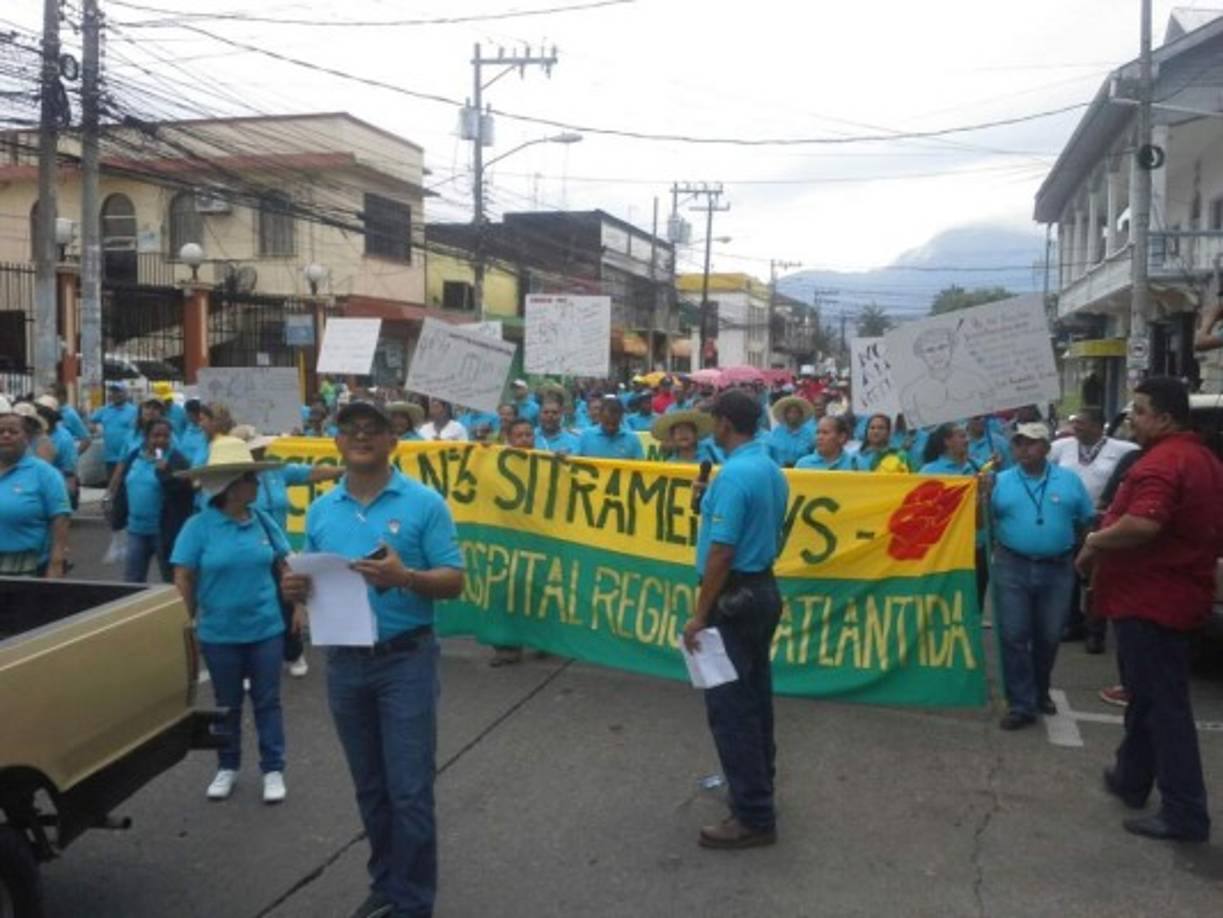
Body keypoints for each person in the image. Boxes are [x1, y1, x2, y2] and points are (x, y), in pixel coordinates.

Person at [281, 401, 464, 918]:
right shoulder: (322, 510)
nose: (361, 436)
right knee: (371, 788)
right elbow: (309, 578)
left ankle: (412, 904)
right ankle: (386, 884)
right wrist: (296, 593)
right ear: (337, 443)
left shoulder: (425, 503)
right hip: (344, 664)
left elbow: (454, 580)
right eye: (351, 429)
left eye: (372, 429)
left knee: (409, 790)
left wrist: (406, 577)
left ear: (393, 441)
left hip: (405, 660)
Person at [1076, 377, 1222, 843]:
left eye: (1139, 411)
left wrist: (1095, 541)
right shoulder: (1201, 459)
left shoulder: (1165, 461)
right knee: (1146, 698)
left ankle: (1185, 812)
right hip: (1170, 596)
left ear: (1165, 417)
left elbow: (1144, 523)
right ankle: (1131, 778)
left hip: (1152, 600)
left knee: (1163, 707)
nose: (1132, 421)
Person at [681, 389, 787, 849]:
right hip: (761, 590)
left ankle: (753, 816)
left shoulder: (735, 475)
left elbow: (722, 552)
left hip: (734, 598)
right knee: (755, 698)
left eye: (714, 419)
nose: (710, 427)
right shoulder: (768, 468)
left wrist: (699, 615)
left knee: (730, 711)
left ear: (725, 423)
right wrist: (708, 504)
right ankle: (758, 787)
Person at [171, 436, 294, 805]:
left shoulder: (263, 522)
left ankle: (273, 769)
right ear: (231, 486)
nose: (258, 484)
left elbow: (285, 564)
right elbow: (184, 577)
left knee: (267, 701)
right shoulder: (198, 527)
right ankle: (227, 765)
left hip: (266, 628)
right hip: (219, 632)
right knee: (227, 702)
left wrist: (299, 607)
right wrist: (185, 626)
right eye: (251, 478)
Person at [989, 422, 1094, 731]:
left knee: (1048, 635)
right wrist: (979, 494)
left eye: (1032, 443)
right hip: (1012, 565)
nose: (1024, 449)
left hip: (1057, 567)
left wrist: (1085, 554)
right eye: (1019, 443)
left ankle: (1040, 689)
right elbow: (982, 521)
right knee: (1014, 635)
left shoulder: (1069, 480)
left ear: (1047, 448)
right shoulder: (999, 481)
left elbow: (1086, 520)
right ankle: (1021, 703)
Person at [1049, 408, 1140, 652]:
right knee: (1069, 573)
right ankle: (1072, 622)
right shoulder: (1061, 447)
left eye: (1082, 423)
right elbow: (1043, 469)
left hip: (1102, 521)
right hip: (1068, 520)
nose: (1076, 427)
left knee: (1097, 577)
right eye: (1075, 422)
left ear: (1098, 426)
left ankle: (1095, 630)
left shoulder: (1124, 450)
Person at [121, 418, 193, 584]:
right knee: (132, 581)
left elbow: (184, 494)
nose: (161, 440)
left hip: (164, 532)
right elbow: (124, 486)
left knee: (170, 581)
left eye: (166, 436)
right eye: (156, 436)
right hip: (136, 530)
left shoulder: (176, 460)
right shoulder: (135, 456)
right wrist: (118, 516)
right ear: (146, 437)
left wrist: (165, 473)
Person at [0, 410, 70, 578]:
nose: (6, 435)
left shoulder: (45, 473)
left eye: (13, 431)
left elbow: (61, 518)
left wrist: (56, 562)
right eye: (0, 431)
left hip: (27, 564)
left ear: (27, 438)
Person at [91, 383, 138, 479]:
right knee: (112, 483)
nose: (116, 394)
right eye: (113, 392)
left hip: (128, 457)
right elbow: (91, 421)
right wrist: (94, 428)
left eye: (119, 392)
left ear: (125, 394)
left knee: (128, 484)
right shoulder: (104, 410)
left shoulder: (134, 411)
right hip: (110, 457)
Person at [577, 397, 645, 460]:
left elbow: (641, 465)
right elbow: (575, 462)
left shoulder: (632, 439)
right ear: (600, 416)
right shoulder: (586, 436)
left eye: (614, 424)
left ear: (621, 418)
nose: (610, 427)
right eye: (607, 423)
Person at [766, 396, 814, 468]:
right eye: (789, 412)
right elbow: (769, 454)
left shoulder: (809, 434)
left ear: (801, 415)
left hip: (802, 471)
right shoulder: (776, 433)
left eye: (796, 412)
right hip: (779, 470)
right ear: (785, 415)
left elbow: (812, 455)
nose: (793, 415)